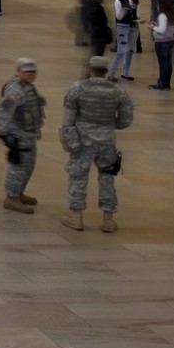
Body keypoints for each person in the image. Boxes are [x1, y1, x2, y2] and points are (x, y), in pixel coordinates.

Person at [59, 56, 135, 233]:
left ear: (89, 68)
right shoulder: (118, 92)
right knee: (107, 176)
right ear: (106, 71)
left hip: (83, 141)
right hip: (107, 141)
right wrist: (107, 125)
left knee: (78, 177)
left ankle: (77, 217)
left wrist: (69, 140)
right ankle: (108, 219)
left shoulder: (77, 89)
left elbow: (68, 120)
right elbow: (125, 120)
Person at [0, 57, 46, 214]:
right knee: (18, 166)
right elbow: (4, 110)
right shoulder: (15, 90)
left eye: (33, 71)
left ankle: (19, 192)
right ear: (18, 72)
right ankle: (11, 197)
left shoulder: (28, 87)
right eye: (27, 71)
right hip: (17, 135)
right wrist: (3, 133)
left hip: (28, 133)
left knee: (29, 165)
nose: (31, 74)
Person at [109, 0, 140, 81]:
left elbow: (137, 14)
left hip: (133, 26)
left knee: (130, 51)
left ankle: (125, 72)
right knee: (121, 51)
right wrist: (124, 9)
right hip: (123, 27)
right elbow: (119, 16)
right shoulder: (119, 0)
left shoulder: (134, 0)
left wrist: (139, 20)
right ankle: (111, 74)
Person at [150, 0, 174, 90]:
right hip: (170, 40)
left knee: (163, 63)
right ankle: (167, 83)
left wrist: (153, 28)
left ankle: (162, 82)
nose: (157, 8)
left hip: (162, 42)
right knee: (168, 63)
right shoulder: (172, 15)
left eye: (158, 6)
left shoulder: (162, 16)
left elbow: (162, 30)